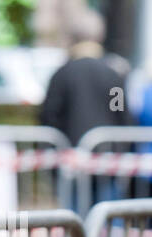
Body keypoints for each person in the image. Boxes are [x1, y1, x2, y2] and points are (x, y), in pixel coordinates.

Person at [39, 10, 133, 147]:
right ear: (100, 36)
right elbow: (119, 113)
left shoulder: (62, 75)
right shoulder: (112, 76)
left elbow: (50, 116)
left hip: (69, 156)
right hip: (106, 156)